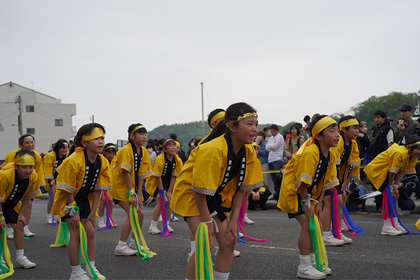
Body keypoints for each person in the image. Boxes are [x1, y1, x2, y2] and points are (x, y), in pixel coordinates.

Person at [170, 102, 264, 280]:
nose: (254, 130)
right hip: (192, 196)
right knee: (204, 244)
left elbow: (240, 189)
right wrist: (207, 223)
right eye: (249, 124)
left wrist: (233, 221)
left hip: (215, 198)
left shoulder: (249, 152)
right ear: (232, 126)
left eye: (256, 124)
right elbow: (198, 192)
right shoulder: (212, 149)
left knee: (228, 241)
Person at [278, 115, 339, 279]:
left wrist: (318, 203)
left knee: (315, 223)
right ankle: (304, 267)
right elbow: (302, 183)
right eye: (332, 131)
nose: (337, 134)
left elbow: (323, 182)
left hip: (309, 195)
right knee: (307, 224)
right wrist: (307, 203)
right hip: (295, 192)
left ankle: (313, 264)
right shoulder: (310, 151)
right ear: (318, 136)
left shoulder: (330, 154)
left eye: (337, 131)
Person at [51, 123, 111, 280]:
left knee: (91, 233)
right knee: (75, 234)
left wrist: (93, 211)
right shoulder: (73, 160)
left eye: (102, 138)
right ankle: (76, 272)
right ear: (84, 143)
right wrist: (74, 211)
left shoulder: (102, 161)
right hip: (69, 201)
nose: (101, 142)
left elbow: (98, 188)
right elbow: (67, 189)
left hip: (85, 200)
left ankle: (91, 268)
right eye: (96, 138)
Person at [108, 124, 153, 256]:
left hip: (132, 188)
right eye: (141, 134)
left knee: (140, 213)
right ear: (132, 136)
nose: (144, 137)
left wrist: (138, 194)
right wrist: (132, 193)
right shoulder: (125, 150)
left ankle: (133, 241)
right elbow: (126, 173)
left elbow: (142, 175)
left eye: (146, 134)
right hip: (120, 188)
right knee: (133, 214)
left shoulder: (144, 151)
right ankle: (121, 246)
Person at [364, 135, 420, 235]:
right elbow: (392, 172)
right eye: (417, 149)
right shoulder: (399, 153)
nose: (419, 152)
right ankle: (387, 226)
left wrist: (394, 186)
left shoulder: (413, 156)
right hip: (378, 171)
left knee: (395, 196)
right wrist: (391, 186)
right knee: (388, 197)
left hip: (387, 172)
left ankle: (394, 223)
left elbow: (403, 171)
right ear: (408, 147)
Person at [0, 150, 42, 269]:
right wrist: (1, 217)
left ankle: (20, 257)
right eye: (24, 167)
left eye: (30, 167)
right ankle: (0, 260)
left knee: (19, 225)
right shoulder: (4, 175)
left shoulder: (33, 176)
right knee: (0, 228)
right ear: (16, 166)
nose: (27, 170)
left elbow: (27, 197)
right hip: (0, 203)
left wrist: (21, 214)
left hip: (11, 204)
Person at [322, 116, 360, 246]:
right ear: (344, 129)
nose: (357, 130)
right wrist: (338, 185)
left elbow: (350, 166)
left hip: (337, 176)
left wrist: (344, 185)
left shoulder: (353, 143)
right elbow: (334, 165)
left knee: (339, 201)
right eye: (354, 127)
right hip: (327, 174)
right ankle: (327, 234)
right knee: (330, 201)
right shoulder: (338, 142)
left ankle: (337, 232)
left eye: (358, 127)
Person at [1, 134, 45, 238]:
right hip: (12, 184)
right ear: (21, 144)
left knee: (28, 203)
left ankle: (25, 227)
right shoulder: (12, 155)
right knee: (11, 205)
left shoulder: (37, 156)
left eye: (32, 142)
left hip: (27, 183)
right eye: (27, 142)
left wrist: (36, 186)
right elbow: (6, 170)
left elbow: (38, 172)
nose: (30, 145)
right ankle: (10, 228)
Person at [145, 139, 183, 234]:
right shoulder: (159, 159)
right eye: (170, 145)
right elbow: (157, 177)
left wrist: (170, 191)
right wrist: (161, 191)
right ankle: (152, 226)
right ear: (164, 149)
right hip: (156, 183)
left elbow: (174, 176)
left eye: (175, 145)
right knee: (160, 201)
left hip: (168, 182)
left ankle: (166, 224)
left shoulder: (177, 159)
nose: (173, 147)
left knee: (169, 201)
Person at [43, 139, 69, 224]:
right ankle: (49, 216)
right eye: (63, 148)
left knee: (60, 197)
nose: (65, 150)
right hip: (51, 180)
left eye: (66, 148)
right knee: (52, 196)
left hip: (61, 180)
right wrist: (52, 183)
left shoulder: (67, 155)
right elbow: (48, 169)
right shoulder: (50, 156)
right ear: (58, 147)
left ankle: (57, 215)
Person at [97, 143, 118, 228]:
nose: (111, 155)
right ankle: (101, 220)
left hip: (111, 184)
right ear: (104, 152)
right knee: (103, 199)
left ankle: (109, 219)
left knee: (110, 201)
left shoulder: (116, 160)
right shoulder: (100, 159)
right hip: (101, 184)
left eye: (113, 153)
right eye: (109, 153)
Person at [266, 124, 285, 203]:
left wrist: (270, 146)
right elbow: (267, 147)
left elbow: (274, 147)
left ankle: (281, 196)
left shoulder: (280, 137)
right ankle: (276, 195)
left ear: (276, 130)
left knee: (278, 179)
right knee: (273, 179)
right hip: (270, 159)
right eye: (270, 130)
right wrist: (270, 145)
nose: (271, 132)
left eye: (273, 130)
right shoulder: (271, 138)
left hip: (277, 159)